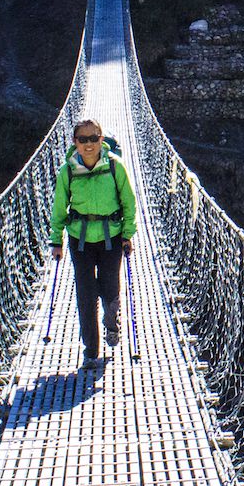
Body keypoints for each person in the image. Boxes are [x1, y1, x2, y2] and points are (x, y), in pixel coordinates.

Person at [50, 119, 137, 369]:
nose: (88, 144)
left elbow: (129, 203)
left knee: (110, 288)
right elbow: (59, 208)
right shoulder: (67, 172)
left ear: (102, 140)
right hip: (80, 239)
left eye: (93, 138)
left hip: (111, 237)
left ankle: (112, 323)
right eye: (82, 139)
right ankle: (91, 351)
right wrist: (56, 240)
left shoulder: (114, 167)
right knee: (85, 293)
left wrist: (127, 234)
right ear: (75, 142)